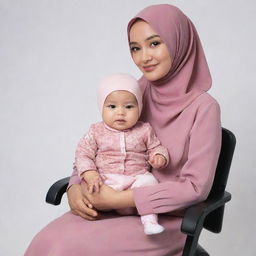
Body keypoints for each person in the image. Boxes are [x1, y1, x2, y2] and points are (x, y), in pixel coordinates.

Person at [24, 4, 221, 256]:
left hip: (162, 222)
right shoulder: (136, 92)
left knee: (62, 249)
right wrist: (75, 186)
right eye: (135, 48)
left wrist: (118, 200)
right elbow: (97, 144)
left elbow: (196, 187)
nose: (144, 57)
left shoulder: (204, 108)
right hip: (109, 207)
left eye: (154, 43)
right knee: (45, 242)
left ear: (179, 42)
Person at [76, 73, 169, 235]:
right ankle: (97, 220)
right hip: (107, 179)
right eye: (112, 107)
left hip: (136, 180)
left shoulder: (144, 129)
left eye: (128, 107)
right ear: (101, 107)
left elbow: (156, 147)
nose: (120, 113)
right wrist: (90, 173)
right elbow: (83, 154)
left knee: (149, 181)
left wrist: (159, 156)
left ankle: (149, 221)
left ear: (139, 107)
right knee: (92, 189)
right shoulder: (96, 131)